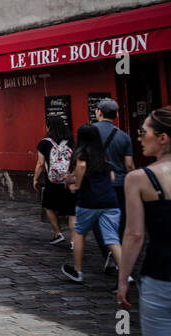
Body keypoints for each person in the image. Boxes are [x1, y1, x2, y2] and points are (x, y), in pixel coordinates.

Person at [118, 105, 171, 336]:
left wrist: (123, 277)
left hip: (162, 274)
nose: (140, 138)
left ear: (163, 137)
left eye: (145, 132)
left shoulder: (140, 178)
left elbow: (135, 234)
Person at [61, 123, 122, 285]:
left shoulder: (82, 153)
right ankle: (126, 274)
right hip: (110, 200)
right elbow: (113, 178)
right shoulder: (102, 154)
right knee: (112, 238)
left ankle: (77, 270)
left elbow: (81, 165)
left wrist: (77, 184)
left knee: (79, 232)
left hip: (89, 200)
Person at [92, 98, 134, 268]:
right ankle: (119, 248)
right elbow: (129, 164)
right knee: (120, 218)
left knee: (97, 219)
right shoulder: (124, 136)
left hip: (98, 183)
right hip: (120, 183)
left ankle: (108, 250)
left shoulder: (89, 133)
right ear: (116, 115)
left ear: (99, 112)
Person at [34, 117, 77, 246]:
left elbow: (40, 163)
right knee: (72, 211)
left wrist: (35, 178)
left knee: (48, 206)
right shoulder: (71, 142)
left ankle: (58, 233)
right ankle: (74, 241)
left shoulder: (44, 143)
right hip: (68, 180)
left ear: (48, 128)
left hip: (52, 181)